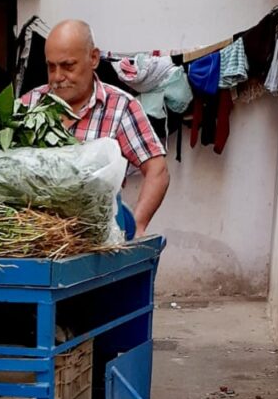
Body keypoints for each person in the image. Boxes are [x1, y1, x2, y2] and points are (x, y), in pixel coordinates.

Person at [21, 19, 170, 238]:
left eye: (68, 66)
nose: (57, 77)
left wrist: (135, 227)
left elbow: (158, 170)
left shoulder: (120, 107)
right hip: (34, 238)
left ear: (93, 58)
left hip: (96, 241)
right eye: (51, 67)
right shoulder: (28, 105)